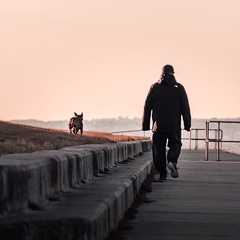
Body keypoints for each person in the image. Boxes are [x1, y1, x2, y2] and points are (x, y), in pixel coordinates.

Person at [142, 64, 191, 181]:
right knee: (176, 144)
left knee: (158, 150)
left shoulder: (154, 88)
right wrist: (187, 124)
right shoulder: (179, 88)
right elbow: (185, 107)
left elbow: (147, 107)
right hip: (174, 125)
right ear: (173, 74)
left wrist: (145, 125)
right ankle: (172, 161)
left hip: (158, 126)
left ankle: (162, 173)